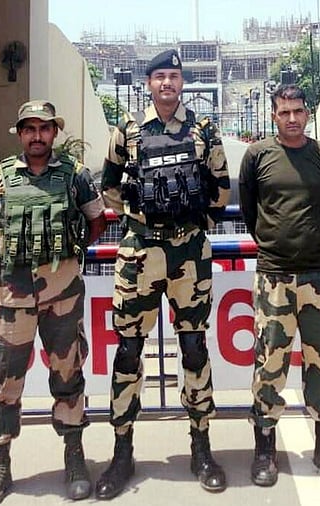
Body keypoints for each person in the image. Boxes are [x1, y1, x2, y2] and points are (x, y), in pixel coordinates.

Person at [96, 49, 230, 499]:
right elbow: (108, 185)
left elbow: (221, 187)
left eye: (174, 76)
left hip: (189, 252)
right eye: (160, 77)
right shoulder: (128, 131)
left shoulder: (203, 129)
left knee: (193, 346)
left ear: (182, 83)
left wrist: (191, 220)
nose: (167, 83)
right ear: (148, 83)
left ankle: (201, 445)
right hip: (139, 254)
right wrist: (143, 215)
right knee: (129, 351)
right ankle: (122, 452)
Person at [0, 100, 107, 506]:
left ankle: (75, 454)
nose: (37, 136)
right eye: (29, 129)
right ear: (20, 134)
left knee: (68, 373)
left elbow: (96, 221)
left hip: (62, 296)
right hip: (13, 297)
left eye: (44, 129)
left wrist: (66, 253)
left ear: (54, 134)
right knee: (7, 381)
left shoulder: (75, 177)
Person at [239, 84, 320, 487]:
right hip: (273, 275)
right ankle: (265, 447)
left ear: (308, 113)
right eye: (284, 112)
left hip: (318, 274)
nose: (291, 119)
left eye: (298, 111)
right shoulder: (257, 157)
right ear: (274, 115)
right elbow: (251, 211)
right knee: (269, 361)